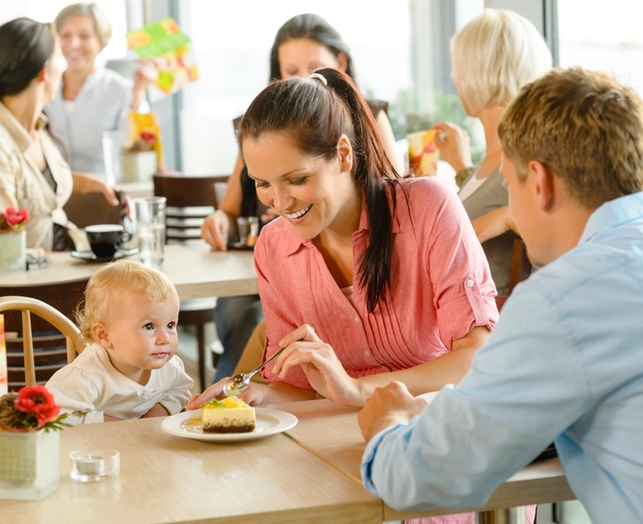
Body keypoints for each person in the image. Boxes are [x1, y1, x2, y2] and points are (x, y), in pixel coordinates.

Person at [355, 68, 643, 522]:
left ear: (540, 182)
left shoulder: (563, 300)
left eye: (509, 186)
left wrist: (388, 424)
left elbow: (420, 476)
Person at [189, 67, 497, 414]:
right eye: (263, 184)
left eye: (297, 178)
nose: (280, 202)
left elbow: (475, 357)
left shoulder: (428, 208)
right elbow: (302, 389)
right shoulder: (273, 248)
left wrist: (357, 390)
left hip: (436, 425)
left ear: (344, 155)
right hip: (340, 438)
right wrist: (259, 396)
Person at [201, 13, 402, 383]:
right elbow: (229, 207)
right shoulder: (260, 131)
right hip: (276, 263)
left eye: (296, 178)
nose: (301, 80)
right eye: (289, 70)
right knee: (240, 316)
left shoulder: (369, 121)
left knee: (254, 321)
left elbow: (389, 189)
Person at [0, 18, 119, 255]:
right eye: (59, 59)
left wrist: (91, 184)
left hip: (63, 267)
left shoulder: (37, 130)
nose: (63, 69)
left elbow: (35, 188)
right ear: (44, 72)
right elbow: (2, 255)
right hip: (36, 288)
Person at [433, 9, 552, 296]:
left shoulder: (525, 163)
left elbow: (555, 249)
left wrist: (509, 216)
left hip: (493, 328)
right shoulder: (493, 161)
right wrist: (463, 168)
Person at [46, 260, 194, 422]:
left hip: (141, 444)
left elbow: (179, 391)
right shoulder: (84, 376)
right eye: (149, 326)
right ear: (104, 336)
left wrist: (155, 414)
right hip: (96, 446)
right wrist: (115, 425)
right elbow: (53, 416)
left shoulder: (170, 366)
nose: (165, 339)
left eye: (170, 325)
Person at [44, 3, 156, 174]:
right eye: (66, 35)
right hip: (57, 193)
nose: (74, 44)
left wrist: (139, 95)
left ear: (100, 41)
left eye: (84, 36)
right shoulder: (45, 87)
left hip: (106, 193)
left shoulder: (122, 90)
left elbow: (137, 146)